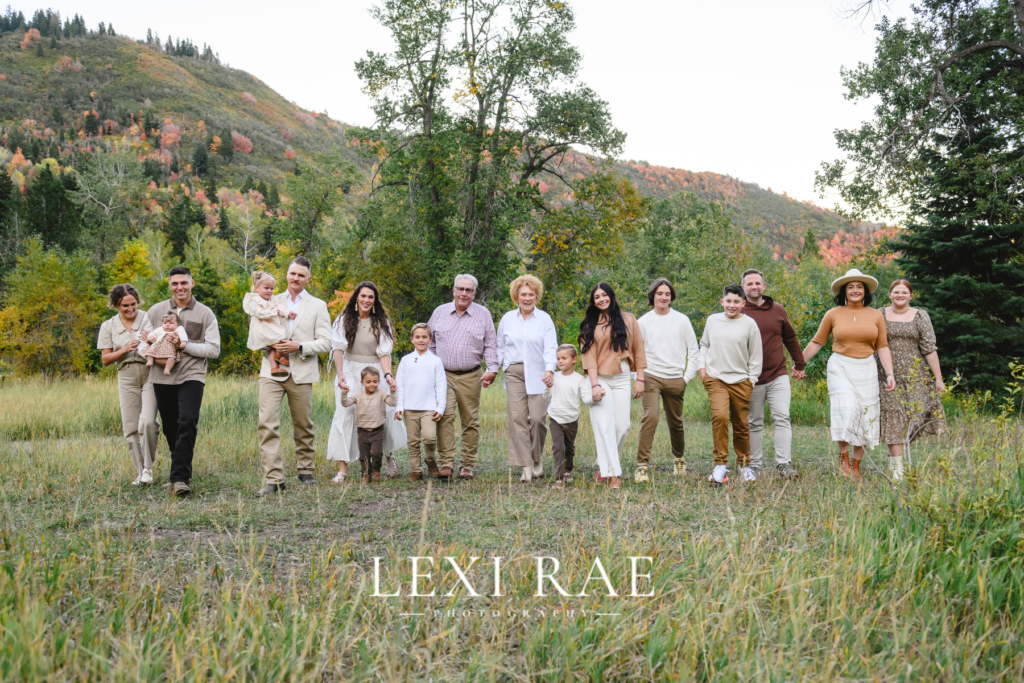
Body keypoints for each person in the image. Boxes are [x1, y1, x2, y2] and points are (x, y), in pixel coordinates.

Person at [802, 268, 896, 482]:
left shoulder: (876, 315)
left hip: (867, 367)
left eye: (859, 287)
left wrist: (889, 373)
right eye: (850, 287)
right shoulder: (832, 314)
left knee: (864, 415)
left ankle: (855, 465)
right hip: (840, 366)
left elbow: (882, 346)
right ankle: (843, 458)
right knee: (846, 410)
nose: (855, 290)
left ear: (865, 291)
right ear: (844, 291)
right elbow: (818, 341)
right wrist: (800, 363)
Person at [255, 257, 332, 497]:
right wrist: (270, 345)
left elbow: (326, 342)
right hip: (271, 372)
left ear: (308, 279)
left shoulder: (318, 305)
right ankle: (274, 479)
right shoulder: (269, 299)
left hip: (302, 371)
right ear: (286, 274)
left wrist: (298, 346)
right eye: (292, 273)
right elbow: (257, 331)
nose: (295, 278)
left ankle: (306, 471)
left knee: (303, 425)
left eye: (301, 275)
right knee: (267, 423)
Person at [146, 265, 220, 498]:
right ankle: (183, 471)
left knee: (187, 421)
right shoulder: (156, 311)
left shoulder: (205, 313)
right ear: (169, 285)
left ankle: (178, 479)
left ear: (192, 283)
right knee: (170, 426)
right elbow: (142, 344)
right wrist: (156, 356)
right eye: (175, 283)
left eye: (184, 283)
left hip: (192, 375)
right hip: (162, 376)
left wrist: (184, 346)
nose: (180, 287)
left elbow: (214, 350)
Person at [328, 281, 405, 482]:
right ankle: (342, 470)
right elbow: (338, 349)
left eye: (371, 297)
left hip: (373, 371)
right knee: (345, 414)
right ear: (356, 298)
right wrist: (340, 373)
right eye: (363, 296)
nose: (367, 300)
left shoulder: (381, 322)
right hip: (350, 371)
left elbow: (384, 353)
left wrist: (387, 375)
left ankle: (388, 457)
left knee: (382, 413)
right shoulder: (343, 320)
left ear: (374, 301)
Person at [427, 274, 499, 480]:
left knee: (470, 421)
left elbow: (490, 343)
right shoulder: (440, 312)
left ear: (474, 293)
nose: (464, 293)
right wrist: (430, 367)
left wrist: (492, 369)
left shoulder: (483, 314)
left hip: (471, 376)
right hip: (443, 375)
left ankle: (467, 464)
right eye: (461, 289)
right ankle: (446, 463)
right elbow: (429, 341)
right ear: (454, 290)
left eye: (469, 290)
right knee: (444, 417)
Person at [579, 282, 647, 490]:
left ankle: (604, 467)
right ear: (593, 301)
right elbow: (588, 357)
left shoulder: (628, 319)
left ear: (611, 296)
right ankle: (614, 475)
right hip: (600, 378)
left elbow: (638, 349)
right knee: (605, 426)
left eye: (604, 295)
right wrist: (594, 385)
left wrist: (641, 379)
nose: (601, 299)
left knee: (622, 427)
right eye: (597, 297)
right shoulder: (589, 323)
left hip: (622, 377)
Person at [740, 269, 806, 480]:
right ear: (743, 288)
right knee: (754, 422)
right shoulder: (739, 311)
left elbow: (790, 338)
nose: (754, 286)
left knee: (782, 417)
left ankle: (783, 464)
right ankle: (755, 466)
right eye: (749, 284)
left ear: (764, 286)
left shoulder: (777, 309)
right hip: (751, 378)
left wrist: (800, 363)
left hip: (778, 374)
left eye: (757, 283)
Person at [877, 279, 946, 481]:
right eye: (896, 292)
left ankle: (894, 455)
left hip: (915, 375)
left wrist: (938, 379)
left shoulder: (920, 316)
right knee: (893, 417)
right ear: (889, 294)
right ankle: (898, 467)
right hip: (886, 374)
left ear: (910, 296)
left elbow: (930, 348)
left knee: (915, 417)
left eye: (904, 292)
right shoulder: (880, 314)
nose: (900, 295)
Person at [635, 278, 700, 483]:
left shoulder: (682, 320)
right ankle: (642, 466)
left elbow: (694, 351)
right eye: (660, 293)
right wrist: (638, 378)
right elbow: (633, 351)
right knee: (651, 417)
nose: (664, 297)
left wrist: (686, 378)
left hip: (675, 378)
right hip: (651, 376)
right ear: (652, 296)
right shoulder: (643, 321)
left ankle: (679, 459)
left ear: (671, 297)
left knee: (676, 422)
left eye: (667, 294)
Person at [700, 284, 763, 485]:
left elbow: (756, 355)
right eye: (728, 301)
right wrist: (702, 371)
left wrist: (751, 380)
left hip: (741, 381)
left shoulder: (750, 324)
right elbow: (705, 344)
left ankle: (744, 466)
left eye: (736, 302)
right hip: (716, 378)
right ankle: (720, 466)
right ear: (722, 302)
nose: (732, 305)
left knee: (741, 425)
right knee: (720, 417)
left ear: (743, 303)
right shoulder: (712, 320)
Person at [496, 275, 557, 483]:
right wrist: (496, 369)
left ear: (537, 296)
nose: (527, 298)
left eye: (531, 294)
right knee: (517, 419)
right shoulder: (507, 319)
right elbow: (500, 347)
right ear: (516, 296)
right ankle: (527, 466)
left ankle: (537, 459)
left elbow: (551, 347)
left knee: (538, 419)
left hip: (539, 372)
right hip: (513, 372)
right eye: (523, 294)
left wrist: (550, 370)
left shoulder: (545, 319)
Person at [98, 284, 160, 485]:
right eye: (125, 305)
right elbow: (106, 359)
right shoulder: (109, 326)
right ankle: (140, 472)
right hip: (126, 375)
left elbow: (160, 340)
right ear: (117, 304)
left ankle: (148, 469)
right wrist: (125, 349)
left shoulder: (147, 318)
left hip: (150, 372)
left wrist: (149, 342)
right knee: (131, 426)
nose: (130, 309)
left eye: (133, 304)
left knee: (148, 421)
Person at [394, 323, 447, 481]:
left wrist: (441, 407)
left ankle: (430, 460)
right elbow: (400, 385)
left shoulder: (436, 361)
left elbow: (441, 386)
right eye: (417, 337)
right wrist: (399, 406)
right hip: (410, 408)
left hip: (429, 408)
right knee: (413, 440)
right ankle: (416, 470)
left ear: (430, 339)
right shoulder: (406, 360)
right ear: (412, 340)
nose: (421, 340)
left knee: (430, 438)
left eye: (424, 337)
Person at [543, 344, 593, 489]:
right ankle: (559, 479)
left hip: (571, 419)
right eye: (558, 358)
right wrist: (547, 385)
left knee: (569, 447)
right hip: (555, 418)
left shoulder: (579, 379)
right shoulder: (554, 377)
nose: (560, 361)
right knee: (558, 447)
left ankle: (567, 470)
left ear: (574, 359)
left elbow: (586, 399)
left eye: (564, 358)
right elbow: (546, 396)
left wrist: (596, 397)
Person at [340, 367, 397, 483]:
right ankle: (366, 474)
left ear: (379, 382)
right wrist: (344, 394)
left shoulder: (381, 393)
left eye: (375, 382)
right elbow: (345, 404)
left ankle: (376, 470)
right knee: (364, 456)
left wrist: (392, 391)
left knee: (377, 453)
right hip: (362, 431)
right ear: (362, 383)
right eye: (368, 382)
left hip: (377, 430)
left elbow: (392, 402)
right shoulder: (358, 395)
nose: (372, 384)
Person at [243, 271, 293, 377]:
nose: (269, 291)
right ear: (256, 288)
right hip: (261, 328)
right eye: (266, 288)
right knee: (279, 338)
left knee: (276, 343)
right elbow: (259, 313)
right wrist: (275, 312)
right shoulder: (254, 300)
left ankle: (274, 367)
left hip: (270, 326)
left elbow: (280, 308)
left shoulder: (272, 299)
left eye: (271, 288)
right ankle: (280, 355)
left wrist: (288, 313)